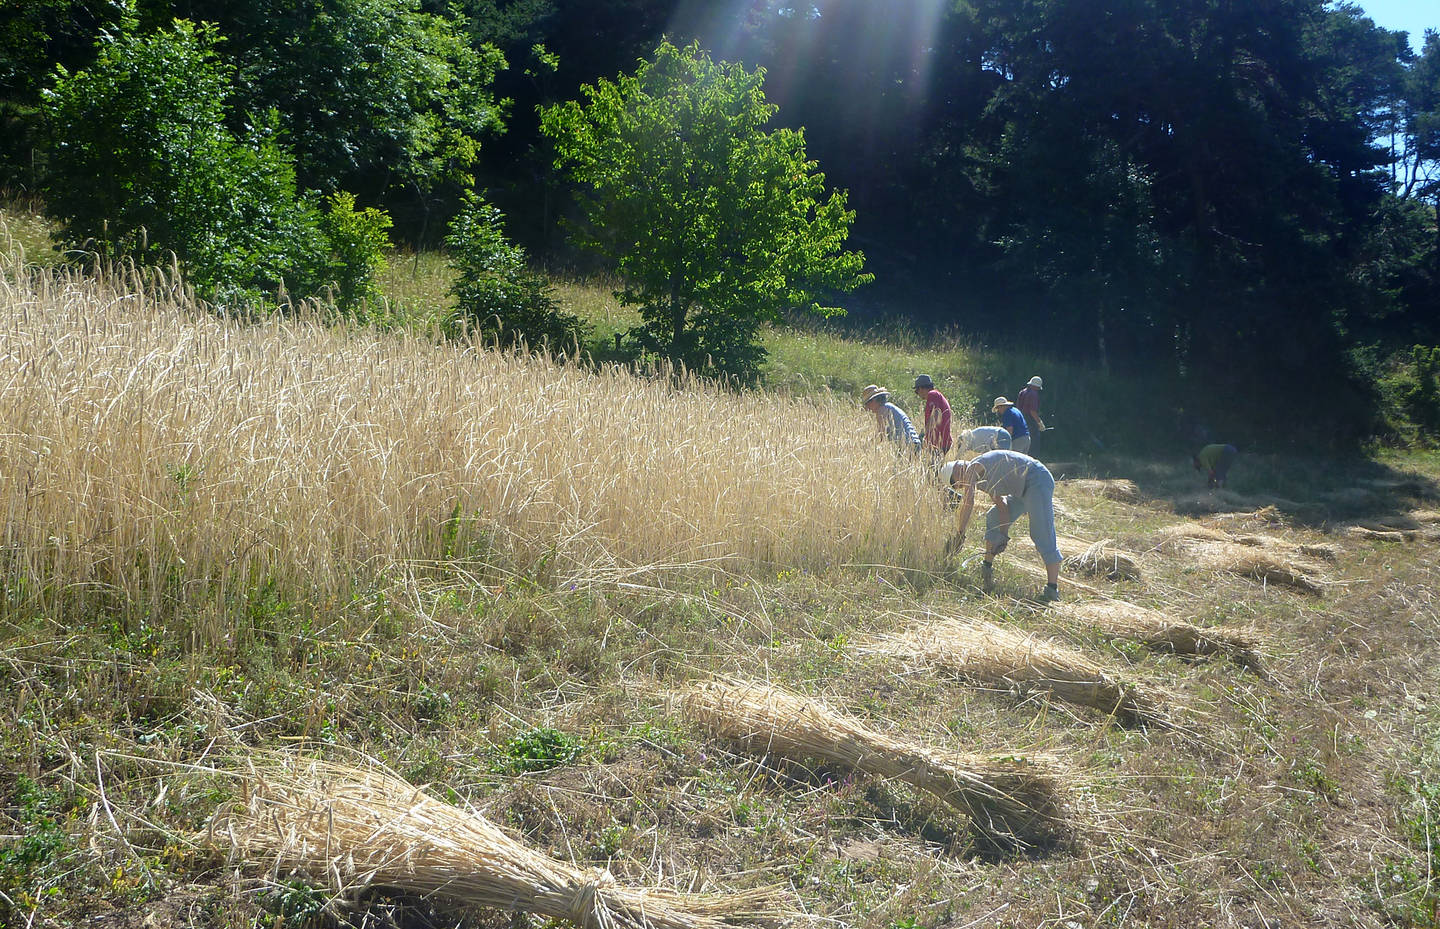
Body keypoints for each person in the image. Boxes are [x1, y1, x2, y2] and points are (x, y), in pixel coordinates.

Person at [942, 450, 1062, 601]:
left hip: (1037, 480)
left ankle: (1052, 589)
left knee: (1040, 532)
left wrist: (960, 533)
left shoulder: (974, 467)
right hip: (1021, 491)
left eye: (956, 483)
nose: (960, 486)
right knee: (993, 517)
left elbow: (968, 501)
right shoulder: (982, 481)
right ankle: (987, 566)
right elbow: (1002, 507)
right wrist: (1003, 536)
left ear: (958, 470)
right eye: (957, 486)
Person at [860, 384, 921, 453]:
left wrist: (865, 447)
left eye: (867, 403)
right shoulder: (888, 407)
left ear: (874, 400)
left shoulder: (882, 410)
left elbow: (881, 435)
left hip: (908, 445)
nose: (867, 407)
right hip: (912, 443)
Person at [912, 374, 952, 462]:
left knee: (933, 471)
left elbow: (936, 414)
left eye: (916, 391)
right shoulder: (937, 396)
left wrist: (925, 434)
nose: (917, 394)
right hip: (941, 442)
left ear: (921, 388)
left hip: (938, 443)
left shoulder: (932, 394)